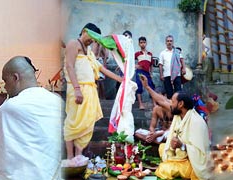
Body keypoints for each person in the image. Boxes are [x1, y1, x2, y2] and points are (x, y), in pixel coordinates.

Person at [64, 23, 123, 161]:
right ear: (84, 31)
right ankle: (70, 156)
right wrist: (77, 89)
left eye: (94, 40)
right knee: (73, 122)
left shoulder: (89, 50)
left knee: (87, 123)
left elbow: (101, 68)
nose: (92, 41)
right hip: (76, 89)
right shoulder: (73, 43)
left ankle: (78, 155)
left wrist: (121, 79)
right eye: (91, 37)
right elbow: (69, 66)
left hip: (90, 91)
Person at [140, 76, 211, 179]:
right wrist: (147, 86)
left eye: (172, 102)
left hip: (192, 162)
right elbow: (161, 100)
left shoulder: (197, 122)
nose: (170, 104)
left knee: (164, 170)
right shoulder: (179, 115)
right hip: (180, 156)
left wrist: (181, 146)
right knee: (163, 148)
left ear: (181, 104)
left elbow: (201, 153)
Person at [135, 75, 173, 144]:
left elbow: (174, 128)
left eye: (157, 98)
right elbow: (152, 126)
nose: (155, 101)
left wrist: (156, 135)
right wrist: (152, 134)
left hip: (169, 133)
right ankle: (157, 142)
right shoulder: (156, 109)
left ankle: (156, 143)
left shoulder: (172, 106)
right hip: (160, 134)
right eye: (154, 99)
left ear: (165, 96)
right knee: (137, 133)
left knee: (169, 136)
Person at [134, 36, 156, 110]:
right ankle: (140, 104)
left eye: (144, 42)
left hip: (147, 73)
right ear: (139, 44)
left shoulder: (150, 54)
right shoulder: (137, 54)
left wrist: (151, 73)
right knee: (139, 86)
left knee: (151, 87)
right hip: (140, 72)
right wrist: (135, 66)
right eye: (141, 43)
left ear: (146, 43)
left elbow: (151, 65)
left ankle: (154, 103)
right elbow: (130, 60)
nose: (142, 44)